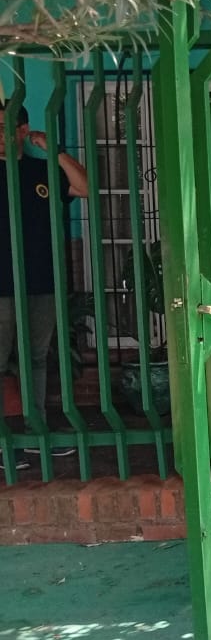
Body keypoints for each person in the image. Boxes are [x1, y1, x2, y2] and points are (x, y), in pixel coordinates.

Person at [0, 102, 89, 469]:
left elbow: (85, 187)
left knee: (36, 359)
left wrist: (55, 150)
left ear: (23, 130)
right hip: (0, 286)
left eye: (5, 126)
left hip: (42, 282)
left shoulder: (42, 171)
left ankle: (34, 434)